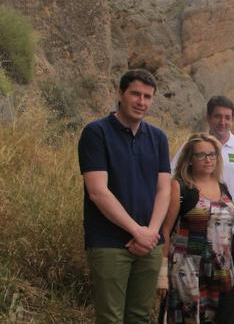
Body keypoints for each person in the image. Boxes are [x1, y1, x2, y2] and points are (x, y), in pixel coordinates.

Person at [78, 69, 171, 323]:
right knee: (111, 318)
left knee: (139, 316)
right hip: (109, 242)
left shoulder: (158, 138)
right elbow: (98, 191)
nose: (141, 102)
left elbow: (164, 189)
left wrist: (151, 232)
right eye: (135, 94)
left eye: (148, 97)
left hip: (150, 243)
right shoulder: (96, 133)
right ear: (120, 94)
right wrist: (136, 231)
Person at [171, 96, 234, 276]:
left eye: (227, 117)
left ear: (233, 120)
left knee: (225, 287)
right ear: (208, 118)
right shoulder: (192, 146)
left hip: (232, 233)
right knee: (192, 283)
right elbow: (173, 177)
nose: (223, 122)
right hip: (196, 232)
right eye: (217, 116)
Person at [159, 133, 234, 323]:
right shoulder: (181, 187)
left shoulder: (223, 186)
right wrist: (161, 273)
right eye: (201, 155)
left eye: (211, 154)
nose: (208, 159)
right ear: (190, 159)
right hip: (189, 271)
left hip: (221, 269)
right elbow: (165, 230)